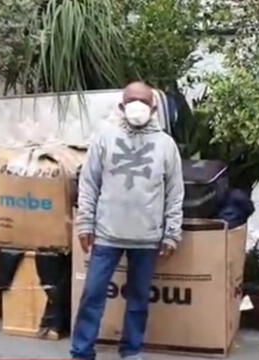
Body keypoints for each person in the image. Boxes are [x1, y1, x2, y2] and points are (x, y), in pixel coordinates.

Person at [71, 81, 184, 360]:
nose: (137, 105)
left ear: (153, 106)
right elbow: (89, 183)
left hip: (147, 238)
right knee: (93, 296)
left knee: (138, 301)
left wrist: (171, 233)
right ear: (121, 106)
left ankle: (132, 351)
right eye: (131, 100)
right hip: (107, 234)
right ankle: (82, 352)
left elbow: (175, 193)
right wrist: (85, 223)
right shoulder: (105, 138)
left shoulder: (166, 145)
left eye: (143, 100)